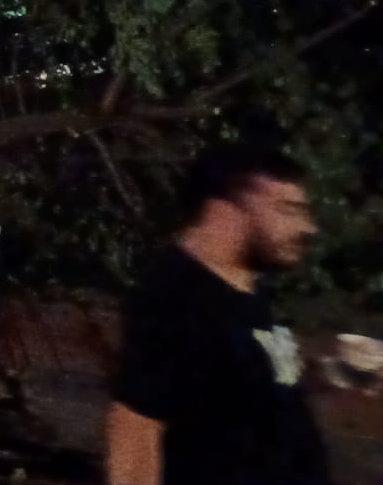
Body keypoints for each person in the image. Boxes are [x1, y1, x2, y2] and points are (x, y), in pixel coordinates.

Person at [107, 144, 330, 485]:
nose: (307, 227)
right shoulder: (176, 297)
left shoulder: (244, 285)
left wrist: (330, 371)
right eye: (287, 209)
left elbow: (242, 386)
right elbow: (135, 428)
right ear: (224, 211)